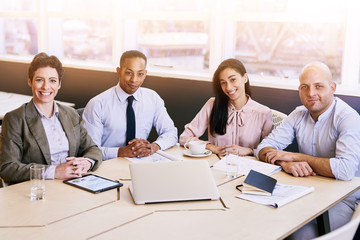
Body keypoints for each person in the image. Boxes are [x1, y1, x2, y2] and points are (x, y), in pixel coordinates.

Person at [256, 61, 360, 239]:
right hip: (306, 192)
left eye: (318, 86)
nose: (311, 93)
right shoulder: (298, 114)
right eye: (305, 87)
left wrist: (294, 156)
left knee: (297, 236)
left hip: (344, 199)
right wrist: (284, 162)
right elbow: (262, 148)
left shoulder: (348, 118)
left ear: (332, 87)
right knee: (265, 222)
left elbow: (345, 170)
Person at [0, 52, 102, 185]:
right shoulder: (15, 119)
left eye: (52, 80)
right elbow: (8, 167)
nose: (46, 87)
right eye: (39, 80)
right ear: (30, 81)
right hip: (39, 189)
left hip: (73, 183)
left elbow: (93, 149)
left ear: (59, 84)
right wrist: (54, 172)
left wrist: (87, 162)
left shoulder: (70, 114)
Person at [83, 50, 178, 160]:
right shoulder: (97, 104)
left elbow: (171, 133)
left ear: (145, 74)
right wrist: (121, 152)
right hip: (108, 164)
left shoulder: (152, 98)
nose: (134, 80)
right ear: (119, 72)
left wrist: (153, 146)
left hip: (141, 163)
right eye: (129, 73)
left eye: (140, 74)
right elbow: (90, 150)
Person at [179, 58, 273, 156]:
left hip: (247, 168)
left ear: (245, 78)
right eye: (223, 82)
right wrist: (211, 147)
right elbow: (184, 137)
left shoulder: (264, 113)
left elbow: (270, 151)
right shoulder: (212, 105)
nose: (228, 87)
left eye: (233, 80)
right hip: (215, 165)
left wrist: (249, 151)